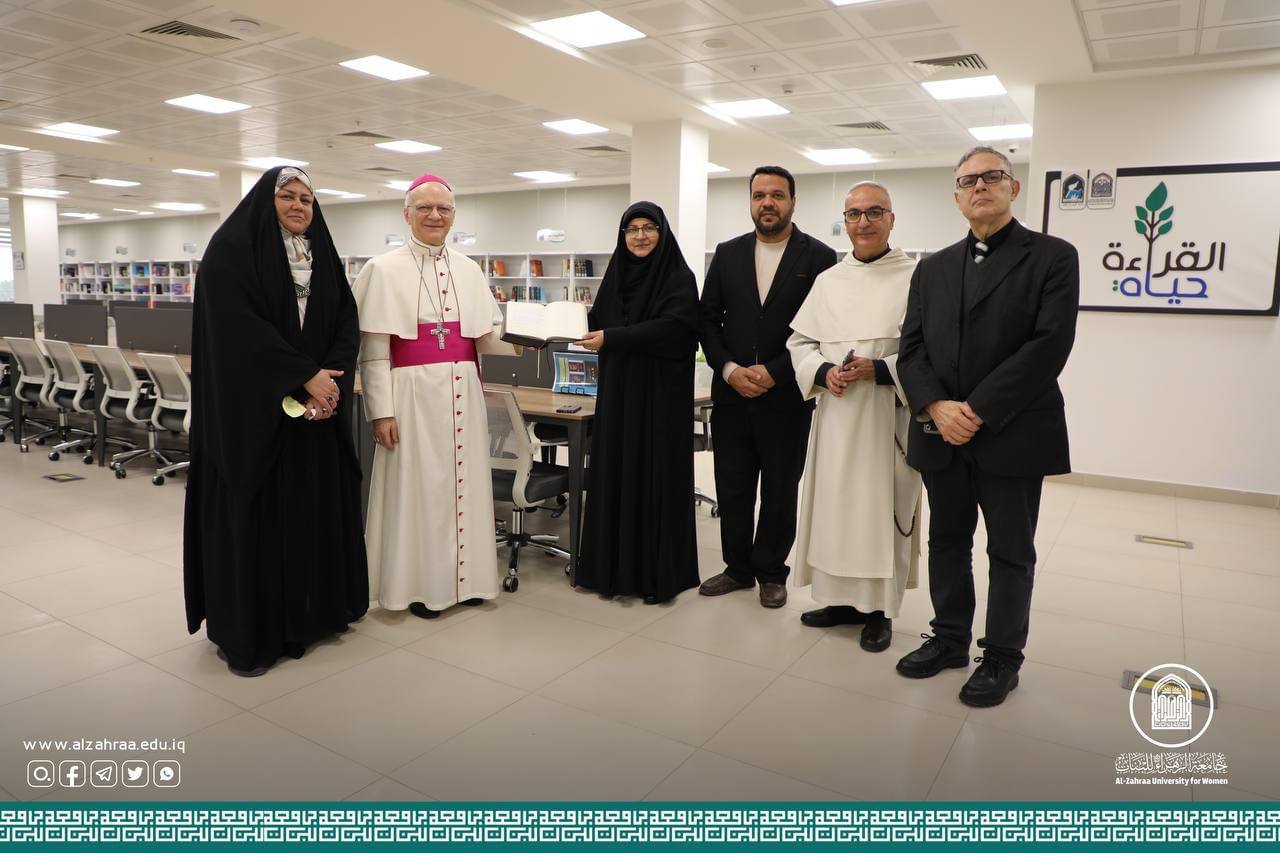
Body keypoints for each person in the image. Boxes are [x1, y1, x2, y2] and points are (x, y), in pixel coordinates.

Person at [895, 147, 1079, 707]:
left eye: (992, 177)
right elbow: (912, 350)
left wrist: (972, 410)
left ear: (1013, 188)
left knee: (1010, 550)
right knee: (946, 540)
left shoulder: (1052, 256)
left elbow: (1048, 347)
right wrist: (935, 407)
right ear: (955, 196)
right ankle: (950, 638)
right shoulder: (933, 267)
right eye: (967, 181)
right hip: (942, 434)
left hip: (1012, 430)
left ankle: (1001, 656)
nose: (980, 187)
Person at [184, 166, 368, 677]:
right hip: (254, 421)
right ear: (265, 201)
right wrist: (302, 375)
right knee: (260, 522)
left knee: (312, 513)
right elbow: (238, 331)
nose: (298, 206)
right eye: (286, 196)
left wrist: (329, 383)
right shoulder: (229, 255)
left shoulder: (322, 256)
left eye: (307, 199)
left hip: (316, 416)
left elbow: (345, 323)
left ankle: (314, 616)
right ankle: (254, 633)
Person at [355, 174, 518, 619]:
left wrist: (534, 336)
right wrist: (380, 412)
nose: (434, 215)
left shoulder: (468, 269)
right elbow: (371, 354)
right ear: (406, 214)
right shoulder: (382, 269)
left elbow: (488, 337)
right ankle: (422, 588)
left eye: (443, 209)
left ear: (454, 217)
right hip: (410, 394)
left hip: (464, 388)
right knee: (421, 490)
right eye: (424, 208)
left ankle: (470, 583)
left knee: (465, 485)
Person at [787, 181, 921, 652]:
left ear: (891, 218)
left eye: (873, 212)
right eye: (853, 215)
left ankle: (879, 612)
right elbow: (799, 344)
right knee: (834, 512)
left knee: (880, 513)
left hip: (887, 417)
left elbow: (929, 352)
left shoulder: (916, 277)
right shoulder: (829, 280)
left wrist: (881, 369)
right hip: (837, 418)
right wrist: (824, 371)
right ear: (844, 222)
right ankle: (839, 600)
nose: (862, 223)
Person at [698, 166, 837, 608]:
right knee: (733, 485)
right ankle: (737, 568)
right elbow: (707, 319)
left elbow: (824, 329)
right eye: (759, 195)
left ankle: (771, 571)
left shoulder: (819, 257)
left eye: (777, 194)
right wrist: (728, 369)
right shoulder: (728, 253)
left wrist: (778, 370)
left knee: (780, 488)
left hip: (787, 396)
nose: (768, 203)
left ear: (793, 202)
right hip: (731, 394)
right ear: (750, 202)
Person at [575, 201, 700, 604]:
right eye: (632, 229)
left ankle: (655, 576)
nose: (640, 236)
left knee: (655, 475)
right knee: (616, 471)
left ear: (662, 234)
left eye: (649, 228)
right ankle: (610, 571)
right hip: (618, 395)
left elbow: (675, 330)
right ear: (622, 235)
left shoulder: (680, 278)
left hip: (660, 398)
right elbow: (598, 321)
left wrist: (614, 338)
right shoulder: (615, 277)